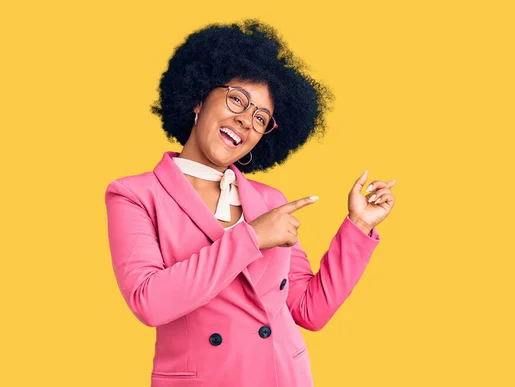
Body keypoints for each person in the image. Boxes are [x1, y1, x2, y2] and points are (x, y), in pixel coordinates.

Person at [105, 20, 396, 387]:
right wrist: (251, 238)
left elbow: (309, 309)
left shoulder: (268, 200)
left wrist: (359, 226)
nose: (245, 119)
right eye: (236, 99)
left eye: (261, 118)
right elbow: (150, 301)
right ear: (198, 97)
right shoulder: (133, 195)